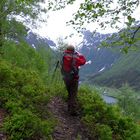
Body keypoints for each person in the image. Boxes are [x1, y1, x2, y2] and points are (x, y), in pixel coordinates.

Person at [61, 45, 86, 115]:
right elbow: (83, 61)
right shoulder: (76, 57)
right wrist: (80, 55)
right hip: (74, 78)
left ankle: (69, 107)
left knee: (69, 93)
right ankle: (73, 111)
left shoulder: (64, 55)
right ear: (73, 50)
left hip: (65, 77)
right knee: (73, 94)